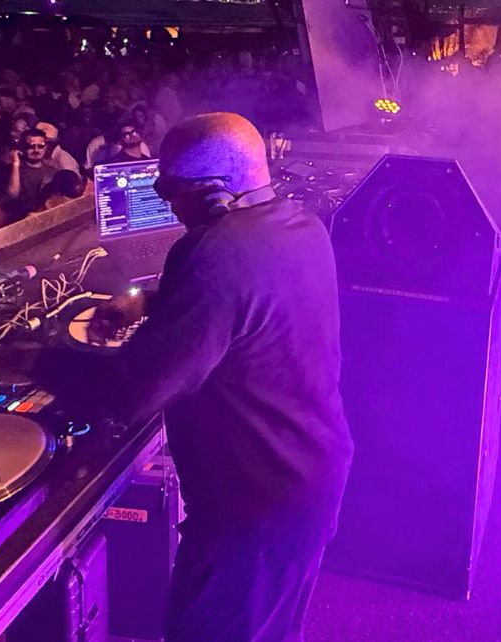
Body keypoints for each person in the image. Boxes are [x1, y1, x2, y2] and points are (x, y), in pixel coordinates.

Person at [28, 113, 353, 641]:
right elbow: (250, 297)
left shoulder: (213, 250)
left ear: (213, 192)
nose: (167, 204)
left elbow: (131, 393)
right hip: (309, 475)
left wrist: (34, 363)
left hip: (254, 507)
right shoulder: (300, 225)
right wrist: (150, 301)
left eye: (168, 189)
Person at [7, 129, 57, 210]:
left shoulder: (52, 173)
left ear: (45, 148)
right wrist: (15, 164)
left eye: (41, 146)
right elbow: (12, 195)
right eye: (30, 146)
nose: (36, 150)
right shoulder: (13, 170)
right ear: (23, 147)